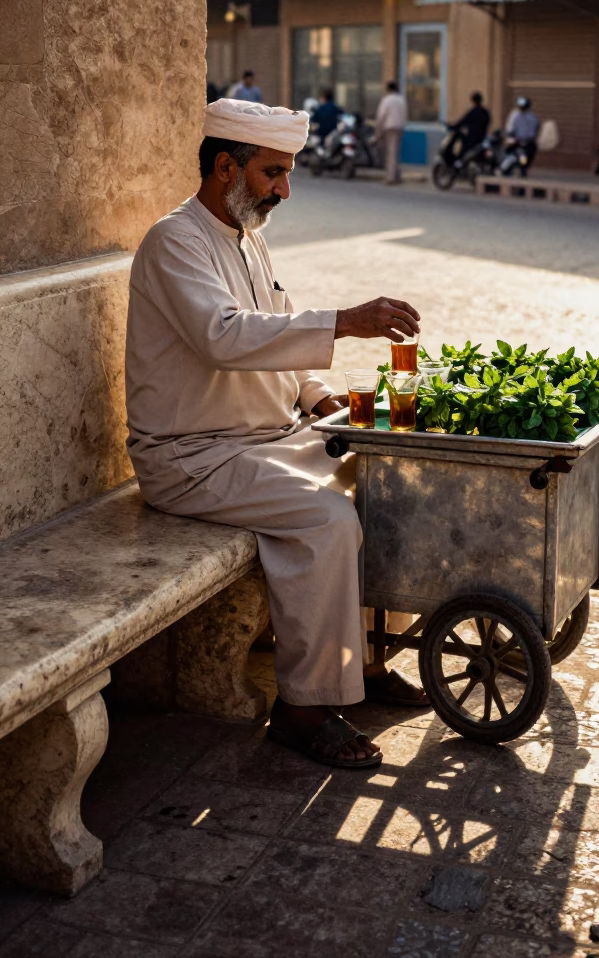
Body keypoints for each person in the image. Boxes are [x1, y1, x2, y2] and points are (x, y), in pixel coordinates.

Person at [125, 98, 425, 769]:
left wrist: (326, 400)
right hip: (191, 456)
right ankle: (303, 708)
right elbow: (223, 338)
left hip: (267, 440)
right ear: (225, 165)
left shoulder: (249, 236)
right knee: (327, 521)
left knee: (389, 482)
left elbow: (277, 345)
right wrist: (345, 320)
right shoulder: (173, 240)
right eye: (272, 174)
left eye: (286, 175)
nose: (284, 190)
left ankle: (366, 663)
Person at [375, 81, 408, 184]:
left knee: (390, 153)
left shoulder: (387, 100)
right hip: (399, 127)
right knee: (396, 152)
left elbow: (381, 115)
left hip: (389, 128)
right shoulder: (401, 100)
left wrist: (378, 129)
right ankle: (397, 175)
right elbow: (405, 114)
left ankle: (391, 177)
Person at [450, 91, 491, 160]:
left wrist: (453, 126)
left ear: (473, 101)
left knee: (463, 148)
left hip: (472, 138)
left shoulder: (473, 112)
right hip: (483, 137)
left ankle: (459, 162)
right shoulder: (485, 112)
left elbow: (462, 121)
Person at [505, 95, 540, 165]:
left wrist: (532, 137)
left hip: (528, 140)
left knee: (531, 151)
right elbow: (510, 126)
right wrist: (511, 136)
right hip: (517, 140)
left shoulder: (531, 116)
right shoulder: (515, 114)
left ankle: (524, 165)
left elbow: (536, 126)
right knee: (509, 151)